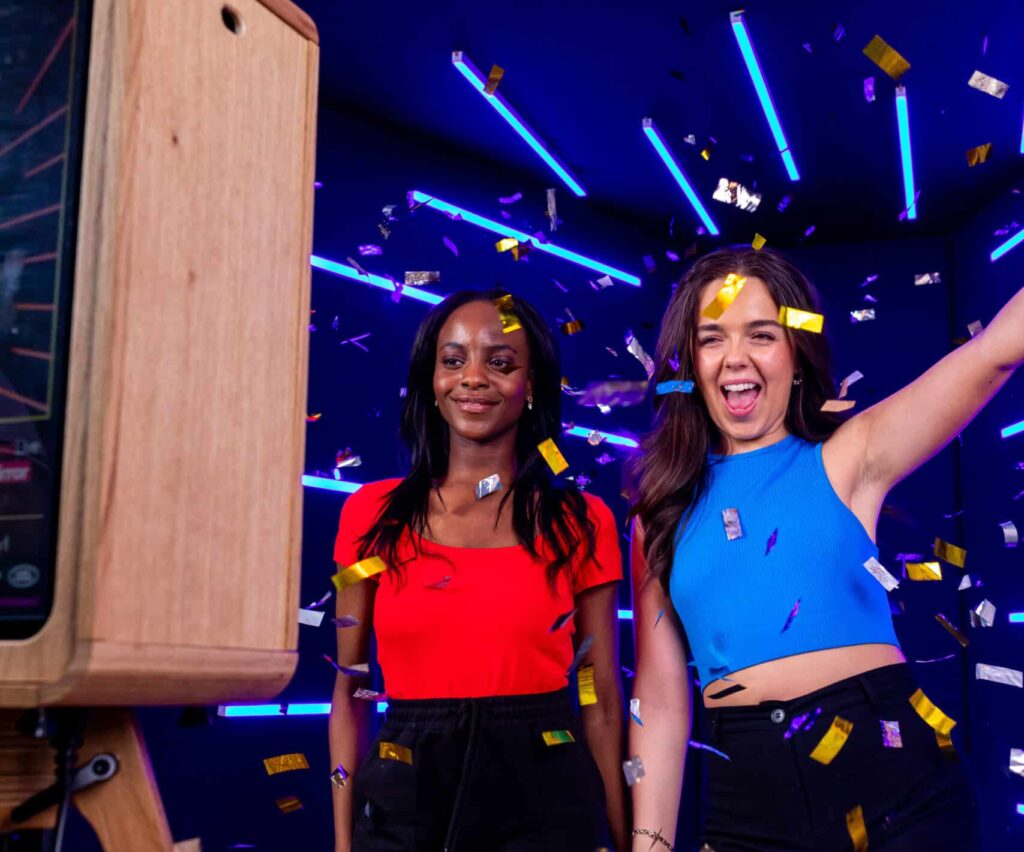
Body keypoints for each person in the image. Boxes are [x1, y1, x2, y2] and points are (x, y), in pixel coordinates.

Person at [627, 247, 1020, 851]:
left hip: (897, 783)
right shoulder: (659, 513)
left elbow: (994, 352)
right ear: (689, 362)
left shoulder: (850, 454)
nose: (736, 357)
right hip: (745, 801)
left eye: (762, 334)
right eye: (712, 339)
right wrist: (649, 847)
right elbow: (656, 700)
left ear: (795, 353)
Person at [329, 289, 628, 852]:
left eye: (499, 361)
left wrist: (617, 838)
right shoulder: (369, 513)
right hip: (403, 793)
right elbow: (350, 689)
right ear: (431, 380)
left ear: (532, 383)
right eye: (453, 360)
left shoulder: (581, 520)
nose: (472, 378)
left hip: (548, 790)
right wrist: (344, 842)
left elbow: (599, 695)